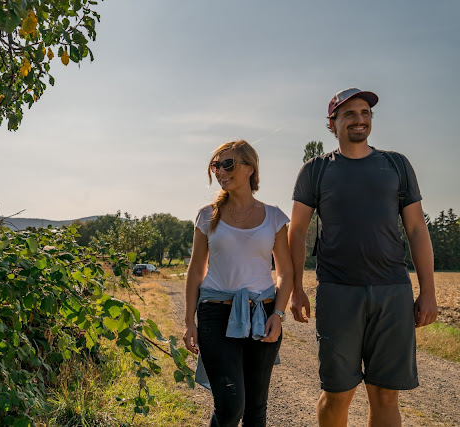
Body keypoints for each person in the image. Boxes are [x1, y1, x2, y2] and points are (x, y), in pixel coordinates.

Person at [288, 88, 438, 427]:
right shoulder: (316, 170)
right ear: (333, 123)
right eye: (351, 114)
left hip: (392, 290)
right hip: (339, 291)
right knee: (338, 393)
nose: (360, 119)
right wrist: (296, 288)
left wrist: (427, 291)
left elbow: (416, 229)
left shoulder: (396, 164)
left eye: (366, 113)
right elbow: (296, 231)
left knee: (386, 393)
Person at [183, 139, 293, 426]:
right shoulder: (207, 216)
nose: (220, 171)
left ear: (249, 168)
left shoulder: (274, 217)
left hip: (262, 314)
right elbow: (196, 270)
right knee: (231, 406)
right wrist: (188, 321)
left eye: (227, 164)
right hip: (215, 316)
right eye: (215, 166)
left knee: (256, 409)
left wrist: (278, 315)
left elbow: (286, 272)